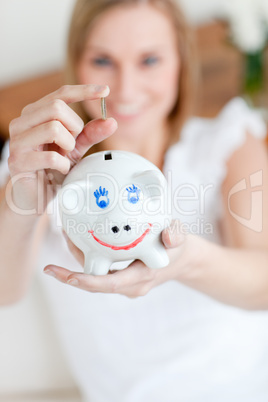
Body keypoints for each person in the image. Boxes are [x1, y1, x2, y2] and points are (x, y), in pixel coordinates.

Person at [1, 0, 268, 401]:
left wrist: (188, 261)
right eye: (103, 60)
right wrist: (22, 202)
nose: (125, 89)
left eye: (149, 60)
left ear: (182, 60)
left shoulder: (227, 141)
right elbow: (5, 291)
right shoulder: (41, 161)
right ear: (76, 65)